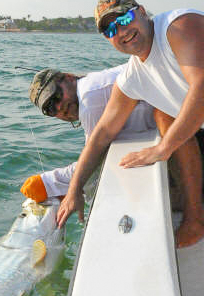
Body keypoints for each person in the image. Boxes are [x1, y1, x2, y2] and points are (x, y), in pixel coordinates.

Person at [56, 0, 204, 248]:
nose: (121, 31)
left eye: (125, 18)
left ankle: (194, 219)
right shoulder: (132, 78)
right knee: (164, 113)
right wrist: (74, 189)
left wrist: (162, 148)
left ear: (143, 11)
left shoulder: (179, 26)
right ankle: (194, 218)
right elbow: (101, 135)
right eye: (111, 29)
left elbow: (201, 88)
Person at [20, 66, 156, 202]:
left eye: (57, 96)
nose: (59, 107)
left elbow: (94, 161)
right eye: (50, 108)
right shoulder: (90, 87)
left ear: (69, 77)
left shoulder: (88, 99)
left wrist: (47, 183)